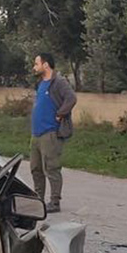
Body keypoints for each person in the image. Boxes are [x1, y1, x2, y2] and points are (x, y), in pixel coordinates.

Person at [29, 52, 77, 213]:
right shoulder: (41, 83)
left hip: (50, 132)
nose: (34, 67)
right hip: (36, 134)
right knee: (35, 168)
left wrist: (60, 113)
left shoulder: (59, 82)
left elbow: (71, 98)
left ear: (45, 65)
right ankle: (38, 200)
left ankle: (55, 202)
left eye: (36, 64)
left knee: (51, 168)